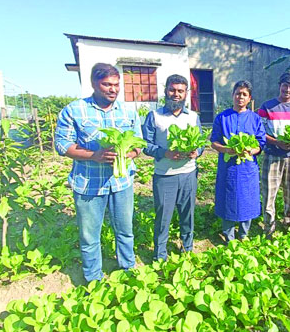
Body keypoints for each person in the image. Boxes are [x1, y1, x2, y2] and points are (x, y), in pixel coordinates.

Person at [55, 63, 143, 282]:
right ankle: (93, 279)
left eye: (116, 85)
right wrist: (94, 155)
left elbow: (139, 144)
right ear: (94, 84)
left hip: (121, 182)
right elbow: (62, 145)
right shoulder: (75, 110)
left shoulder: (128, 111)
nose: (112, 89)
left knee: (125, 230)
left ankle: (128, 270)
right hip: (88, 183)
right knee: (89, 235)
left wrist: (127, 153)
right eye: (106, 84)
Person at [142, 74, 203, 261]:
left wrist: (197, 152)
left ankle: (187, 248)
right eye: (172, 90)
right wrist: (164, 153)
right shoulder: (154, 116)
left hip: (188, 174)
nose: (176, 94)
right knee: (163, 217)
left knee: (188, 214)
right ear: (165, 90)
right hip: (164, 175)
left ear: (186, 93)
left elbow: (200, 143)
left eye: (180, 91)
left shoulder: (193, 117)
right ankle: (160, 254)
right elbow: (144, 144)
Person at [211, 80, 266, 242]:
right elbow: (214, 142)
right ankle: (229, 236)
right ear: (232, 95)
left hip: (247, 167)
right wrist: (227, 150)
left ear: (249, 98)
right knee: (227, 197)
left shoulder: (255, 119)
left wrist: (251, 150)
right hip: (228, 166)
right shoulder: (222, 117)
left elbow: (261, 143)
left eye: (244, 94)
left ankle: (243, 234)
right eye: (237, 94)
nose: (240, 97)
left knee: (247, 198)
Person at [257, 71, 290, 236]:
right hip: (272, 156)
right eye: (285, 86)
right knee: (269, 192)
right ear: (280, 86)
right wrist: (277, 142)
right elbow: (260, 132)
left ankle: (288, 222)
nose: (288, 89)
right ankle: (268, 227)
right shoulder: (266, 106)